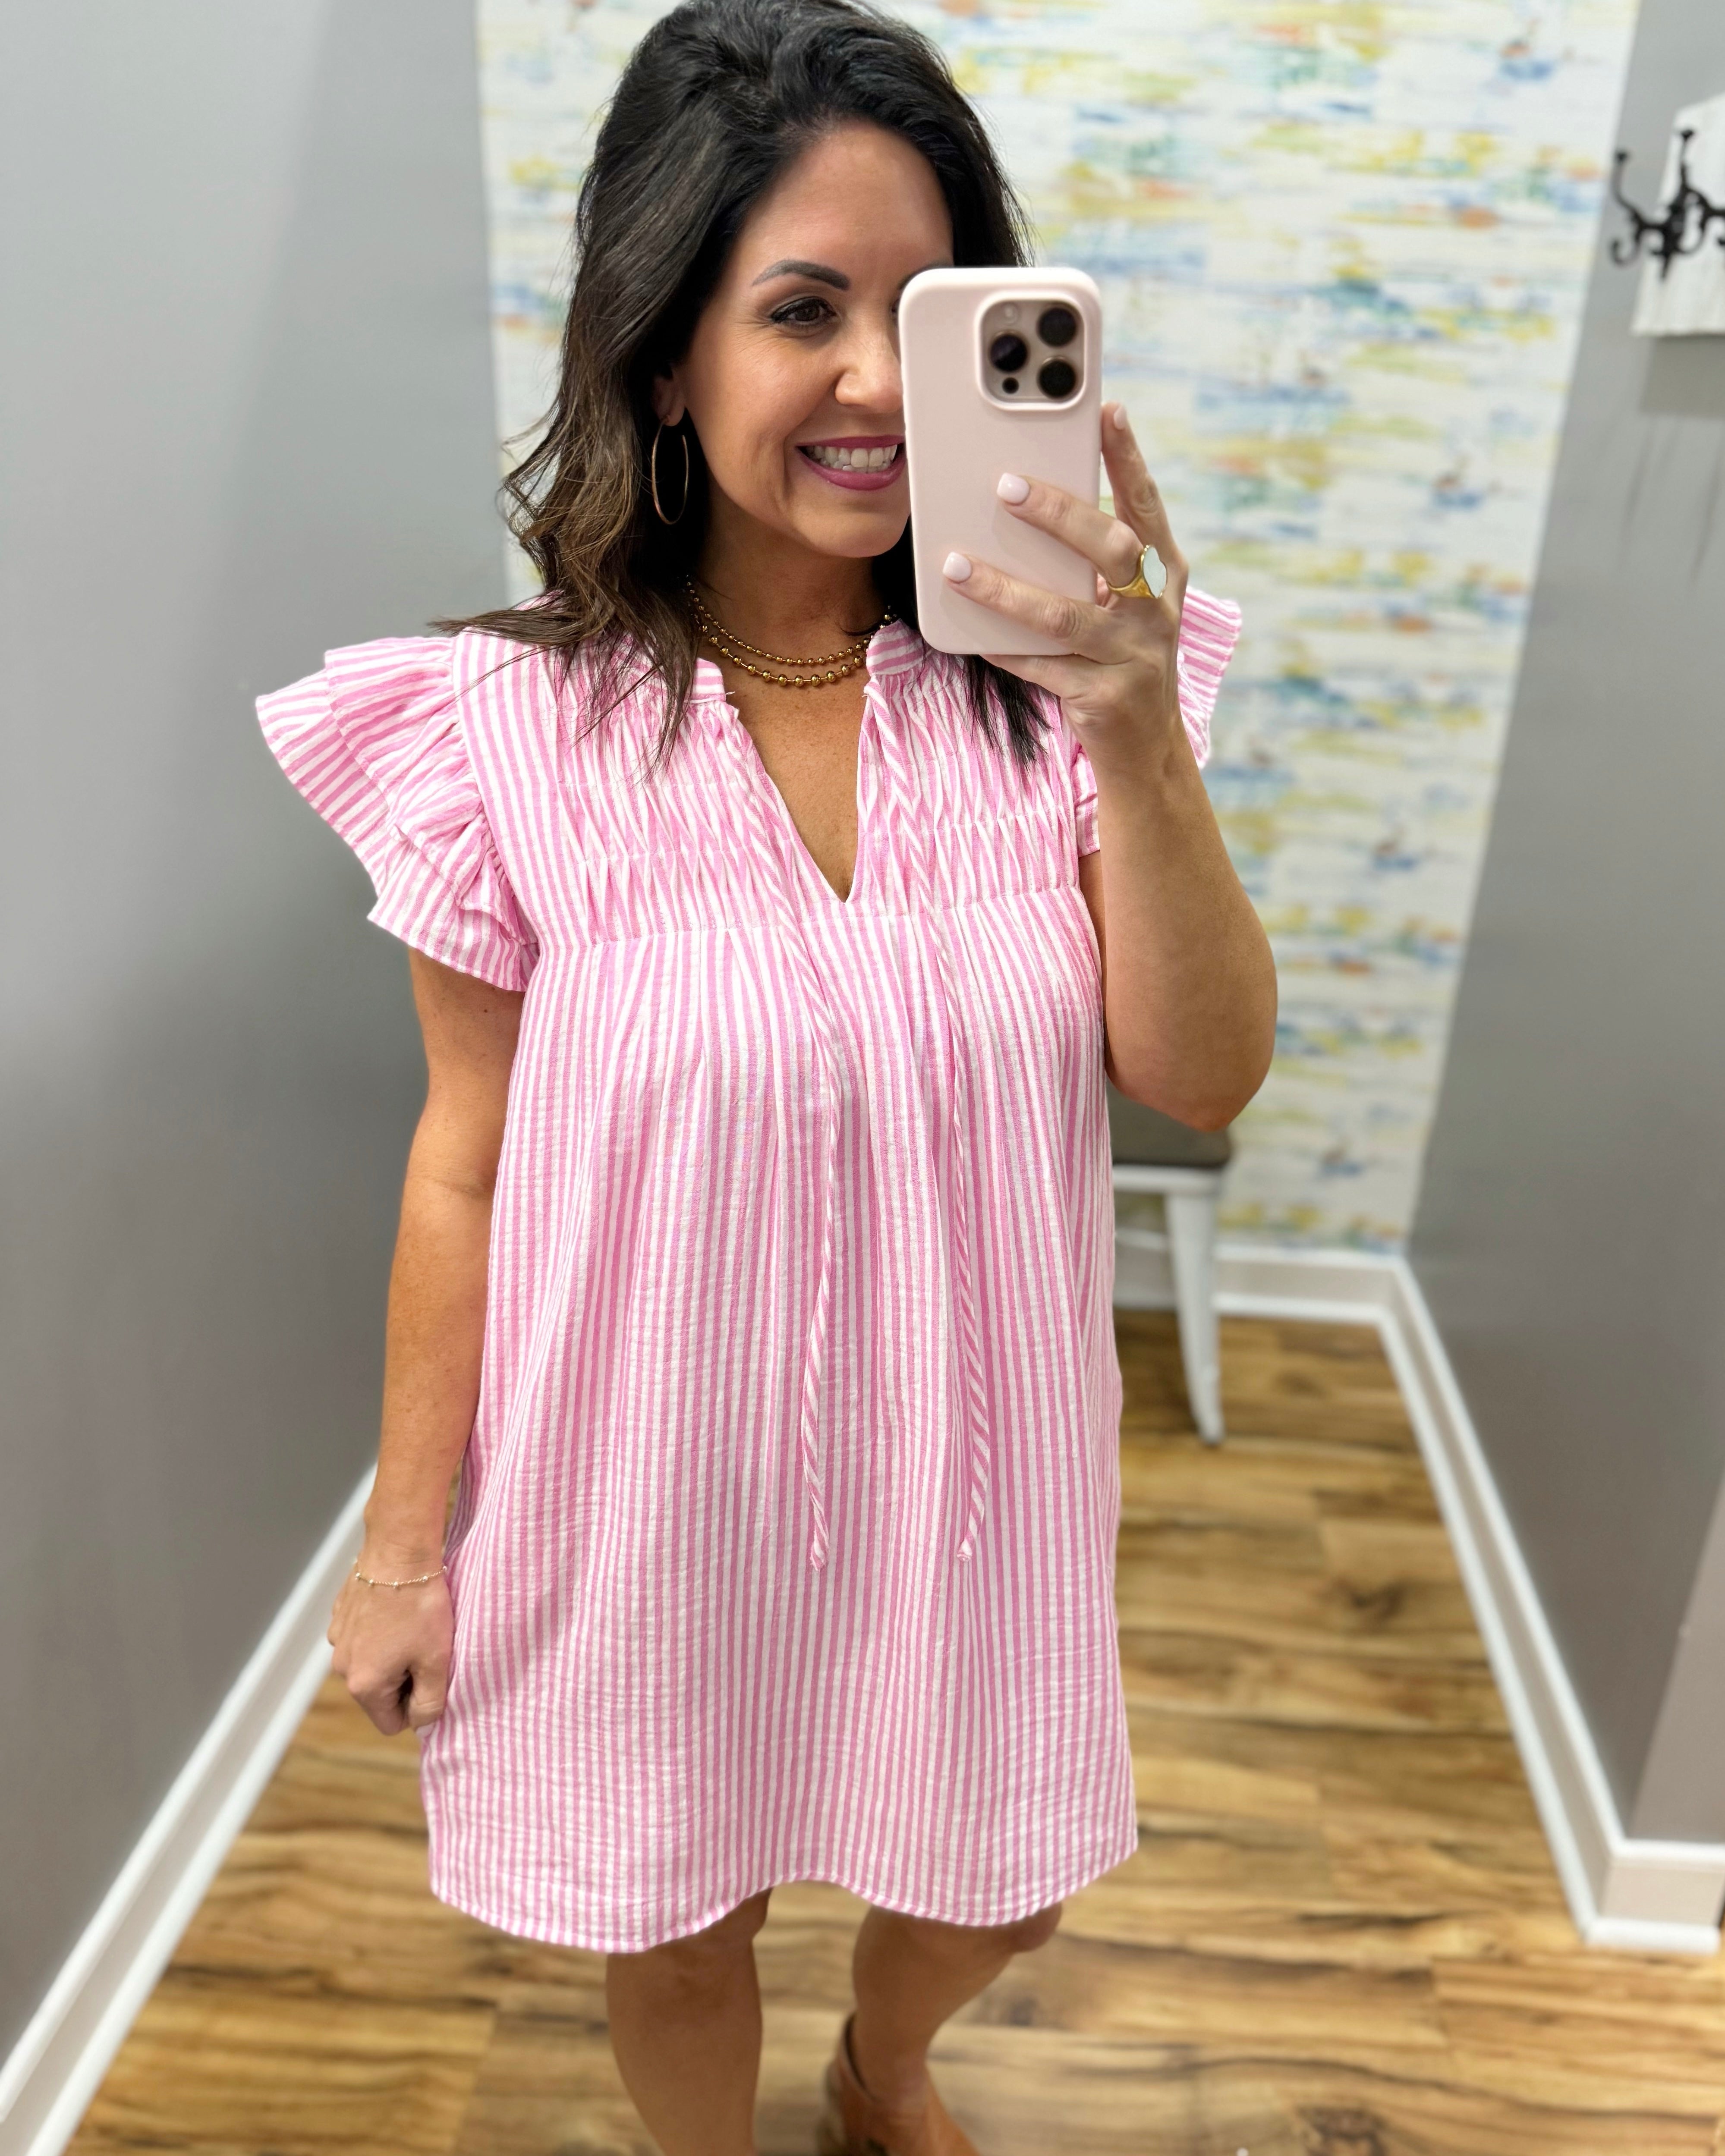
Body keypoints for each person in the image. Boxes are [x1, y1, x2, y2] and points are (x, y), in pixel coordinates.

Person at [256, 0, 1276, 2150]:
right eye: (799, 309)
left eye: (923, 316)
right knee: (671, 1907)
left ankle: (878, 2061)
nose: (866, 382)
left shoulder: (1061, 705)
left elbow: (1199, 1073)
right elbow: (466, 1164)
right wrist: (404, 1544)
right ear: (664, 352)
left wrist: (1131, 723)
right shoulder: (503, 732)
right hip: (639, 1475)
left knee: (997, 1875)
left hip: (977, 1470)